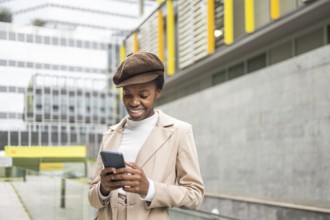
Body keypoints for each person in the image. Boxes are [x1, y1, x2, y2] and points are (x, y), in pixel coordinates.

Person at [88, 52, 204, 220]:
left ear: (158, 91)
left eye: (143, 95)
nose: (134, 102)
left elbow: (195, 195)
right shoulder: (110, 135)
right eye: (127, 94)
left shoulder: (179, 131)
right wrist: (103, 189)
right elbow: (93, 198)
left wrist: (149, 188)